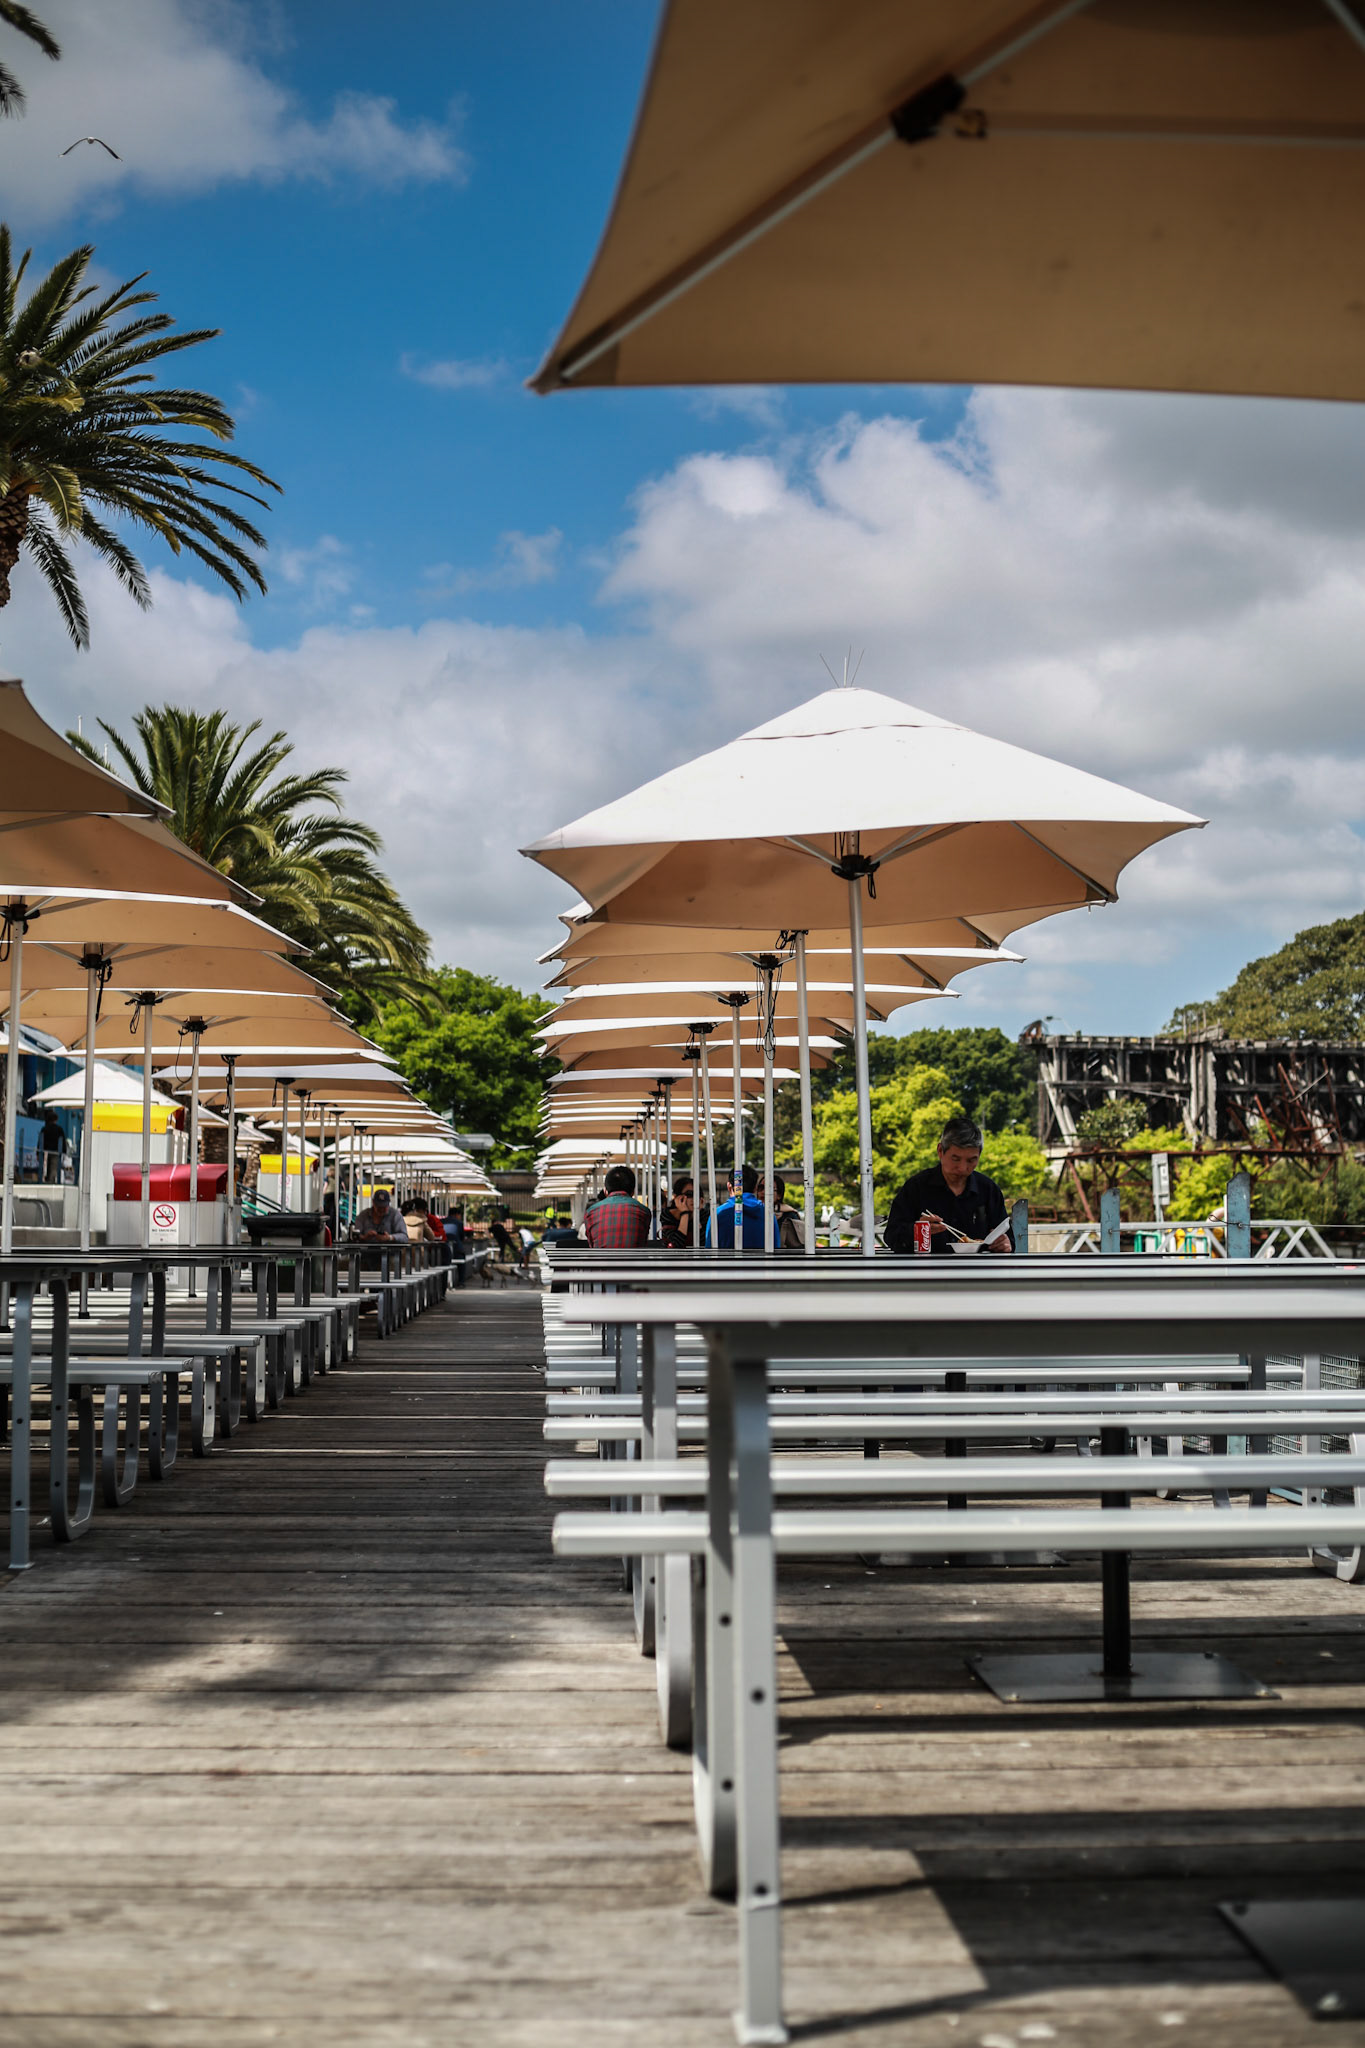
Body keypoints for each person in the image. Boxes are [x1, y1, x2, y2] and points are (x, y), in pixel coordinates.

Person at [884, 1116, 1013, 1256]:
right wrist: (917, 1230)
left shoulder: (988, 1190)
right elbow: (891, 1237)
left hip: (977, 1273)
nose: (963, 1168)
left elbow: (1009, 1238)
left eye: (971, 1160)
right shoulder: (916, 1188)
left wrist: (1006, 1244)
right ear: (940, 1151)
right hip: (926, 1273)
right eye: (955, 1159)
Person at [583, 1164, 652, 1248]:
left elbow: (592, 1245)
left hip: (600, 1260)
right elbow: (643, 1243)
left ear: (605, 1191)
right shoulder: (644, 1211)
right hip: (634, 1260)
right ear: (633, 1191)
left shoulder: (591, 1212)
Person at [705, 1162, 767, 1249]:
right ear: (755, 1188)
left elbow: (709, 1251)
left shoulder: (718, 1214)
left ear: (729, 1187)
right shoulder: (768, 1214)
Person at [757, 1172, 804, 1250]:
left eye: (769, 1188)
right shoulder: (754, 1213)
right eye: (760, 1188)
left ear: (779, 1195)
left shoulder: (790, 1215)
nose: (763, 1192)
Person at [659, 1175, 695, 1248]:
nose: (694, 1198)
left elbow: (703, 1243)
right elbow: (676, 1245)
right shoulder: (667, 1215)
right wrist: (685, 1214)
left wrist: (696, 1216)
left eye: (697, 1194)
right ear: (677, 1197)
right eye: (689, 1194)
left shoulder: (704, 1214)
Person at [40, 1107, 67, 1184]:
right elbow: (63, 1141)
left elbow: (40, 1141)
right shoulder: (59, 1129)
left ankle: (46, 1179)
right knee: (53, 1167)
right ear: (56, 1119)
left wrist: (38, 1153)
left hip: (46, 1150)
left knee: (46, 1167)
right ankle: (51, 1181)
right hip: (56, 1151)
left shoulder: (44, 1129)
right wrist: (64, 1151)